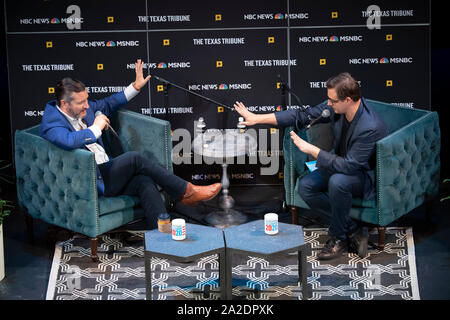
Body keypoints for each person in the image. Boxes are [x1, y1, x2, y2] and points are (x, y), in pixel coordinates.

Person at [40, 59, 221, 230]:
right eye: (82, 103)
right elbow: (68, 141)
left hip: (107, 172)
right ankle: (186, 191)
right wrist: (96, 128)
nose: (88, 106)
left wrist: (135, 87)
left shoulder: (84, 108)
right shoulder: (52, 123)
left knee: (144, 181)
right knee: (135, 159)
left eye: (87, 100)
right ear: (64, 104)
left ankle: (161, 232)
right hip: (90, 180)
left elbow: (108, 103)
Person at [234, 72, 388, 260]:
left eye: (332, 101)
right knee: (306, 186)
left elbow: (350, 167)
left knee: (338, 182)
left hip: (363, 176)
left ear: (348, 100)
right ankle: (353, 228)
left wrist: (313, 150)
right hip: (339, 164)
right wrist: (257, 118)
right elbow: (301, 115)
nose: (328, 104)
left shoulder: (369, 126)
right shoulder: (336, 108)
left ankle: (338, 238)